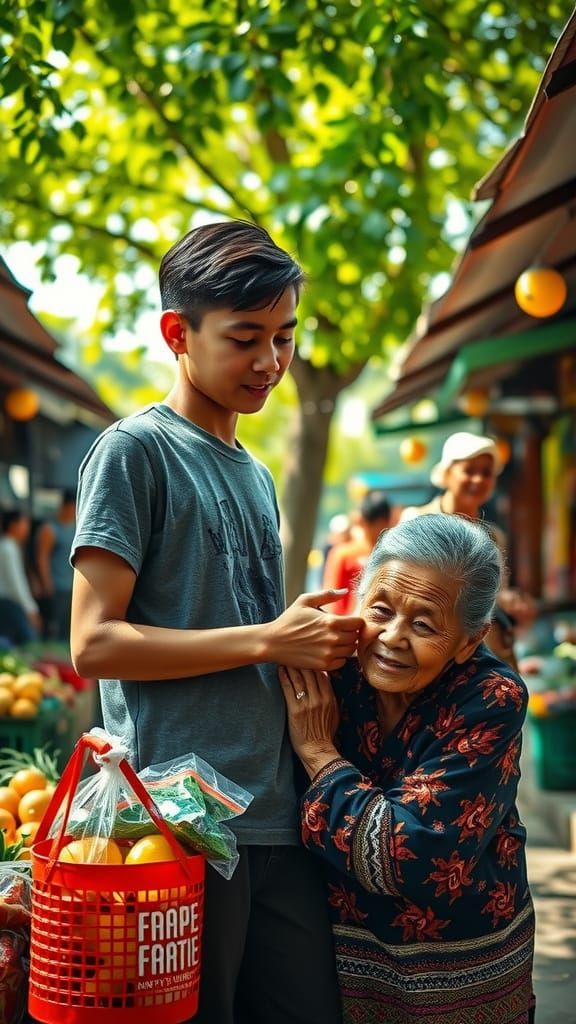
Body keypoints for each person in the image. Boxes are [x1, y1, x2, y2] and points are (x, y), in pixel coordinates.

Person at [70, 220, 365, 1024]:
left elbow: (249, 628)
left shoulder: (257, 473)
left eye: (285, 337)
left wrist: (309, 634)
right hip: (179, 824)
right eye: (246, 339)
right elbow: (94, 643)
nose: (271, 362)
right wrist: (269, 637)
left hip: (279, 812)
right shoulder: (135, 452)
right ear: (178, 332)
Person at [280, 514, 535, 1024]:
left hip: (462, 978)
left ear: (469, 639)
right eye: (380, 609)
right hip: (345, 968)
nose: (392, 637)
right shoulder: (335, 674)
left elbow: (406, 857)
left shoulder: (490, 698)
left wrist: (317, 753)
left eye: (423, 624)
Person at [400, 431, 535, 668]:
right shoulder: (416, 520)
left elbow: (494, 595)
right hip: (425, 651)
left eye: (486, 473)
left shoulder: (494, 537)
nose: (478, 480)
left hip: (479, 657)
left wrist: (508, 600)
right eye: (469, 470)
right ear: (448, 472)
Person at [323, 490, 391, 614]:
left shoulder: (393, 554)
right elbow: (333, 596)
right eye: (375, 523)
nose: (380, 528)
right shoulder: (344, 555)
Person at [35, 487, 77, 641]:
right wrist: (47, 583)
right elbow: (42, 557)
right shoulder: (50, 529)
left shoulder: (75, 525)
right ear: (67, 505)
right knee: (53, 628)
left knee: (68, 629)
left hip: (72, 586)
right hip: (56, 586)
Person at [0, 508, 42, 645]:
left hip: (9, 602)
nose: (27, 528)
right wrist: (31, 610)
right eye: (24, 523)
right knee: (29, 642)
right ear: (13, 525)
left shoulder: (9, 546)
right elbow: (16, 584)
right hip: (10, 603)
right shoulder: (8, 548)